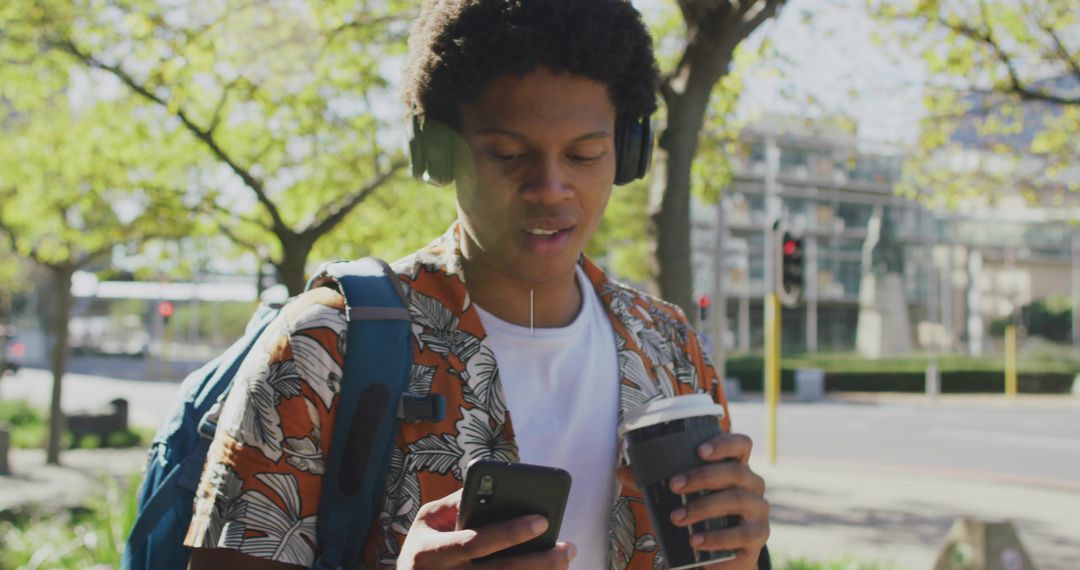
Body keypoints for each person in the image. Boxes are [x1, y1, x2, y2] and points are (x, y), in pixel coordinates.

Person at [185, 1, 769, 568]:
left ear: (628, 152)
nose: (550, 186)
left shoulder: (670, 347)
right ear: (437, 153)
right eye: (508, 153)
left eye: (585, 154)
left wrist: (739, 558)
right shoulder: (324, 344)